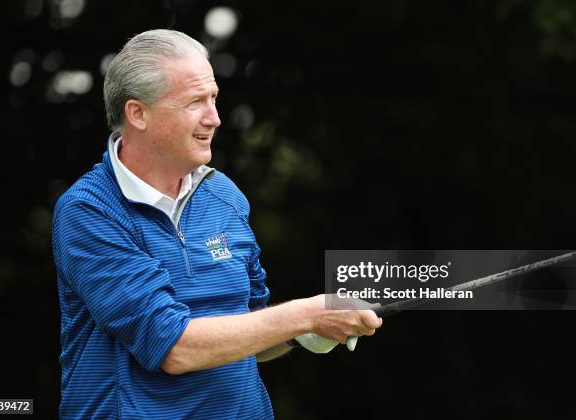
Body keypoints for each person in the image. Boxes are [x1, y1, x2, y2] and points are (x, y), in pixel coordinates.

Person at [52, 29, 382, 419]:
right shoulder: (89, 210)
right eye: (195, 102)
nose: (215, 118)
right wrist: (307, 314)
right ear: (138, 113)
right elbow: (173, 347)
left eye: (214, 99)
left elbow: (252, 330)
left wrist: (300, 335)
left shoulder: (222, 194)